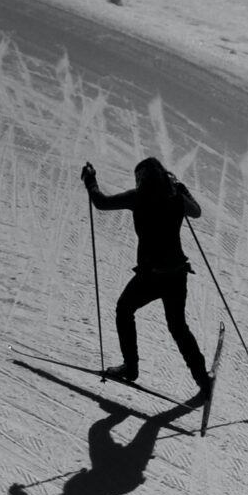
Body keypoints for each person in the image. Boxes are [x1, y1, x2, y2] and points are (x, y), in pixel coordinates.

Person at [81, 157, 211, 399]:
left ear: (142, 178)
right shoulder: (175, 196)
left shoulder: (138, 196)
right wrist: (183, 190)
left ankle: (130, 367)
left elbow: (101, 203)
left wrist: (90, 181)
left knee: (124, 309)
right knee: (178, 326)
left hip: (152, 276)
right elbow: (197, 212)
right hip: (176, 273)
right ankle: (202, 379)